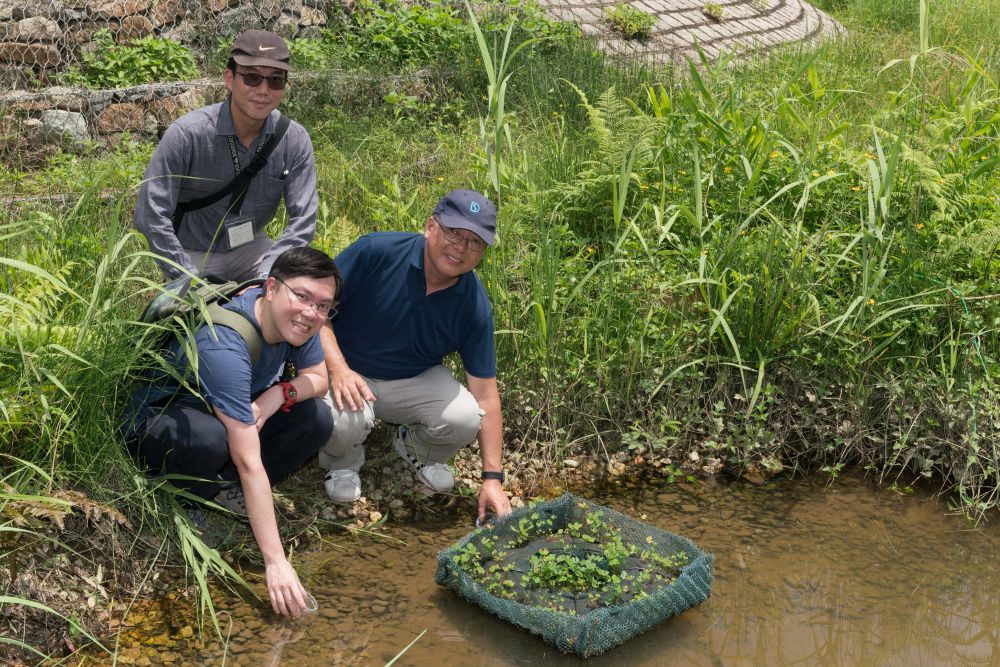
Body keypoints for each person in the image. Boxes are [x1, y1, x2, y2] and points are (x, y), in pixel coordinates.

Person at [123, 247, 339, 618]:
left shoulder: (303, 325)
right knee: (215, 440)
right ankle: (186, 499)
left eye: (323, 306)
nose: (311, 312)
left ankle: (222, 488)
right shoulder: (224, 340)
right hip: (156, 425)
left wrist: (278, 394)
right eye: (301, 296)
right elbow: (249, 461)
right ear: (271, 288)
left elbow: (319, 380)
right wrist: (276, 562)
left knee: (315, 418)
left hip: (221, 415)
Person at [318, 189, 512, 524]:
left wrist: (492, 479)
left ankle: (415, 449)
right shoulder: (375, 251)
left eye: (474, 242)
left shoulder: (474, 304)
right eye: (453, 232)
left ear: (482, 253)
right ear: (430, 226)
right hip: (346, 369)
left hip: (411, 379)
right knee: (344, 420)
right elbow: (314, 310)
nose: (461, 248)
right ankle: (342, 463)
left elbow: (486, 395)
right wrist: (337, 368)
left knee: (466, 415)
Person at [134, 29, 318, 283]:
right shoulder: (188, 134)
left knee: (299, 294)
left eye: (275, 80)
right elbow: (150, 214)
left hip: (252, 249)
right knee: (193, 320)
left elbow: (304, 220)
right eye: (252, 78)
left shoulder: (294, 139)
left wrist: (268, 276)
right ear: (229, 79)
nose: (264, 90)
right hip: (190, 253)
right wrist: (184, 275)